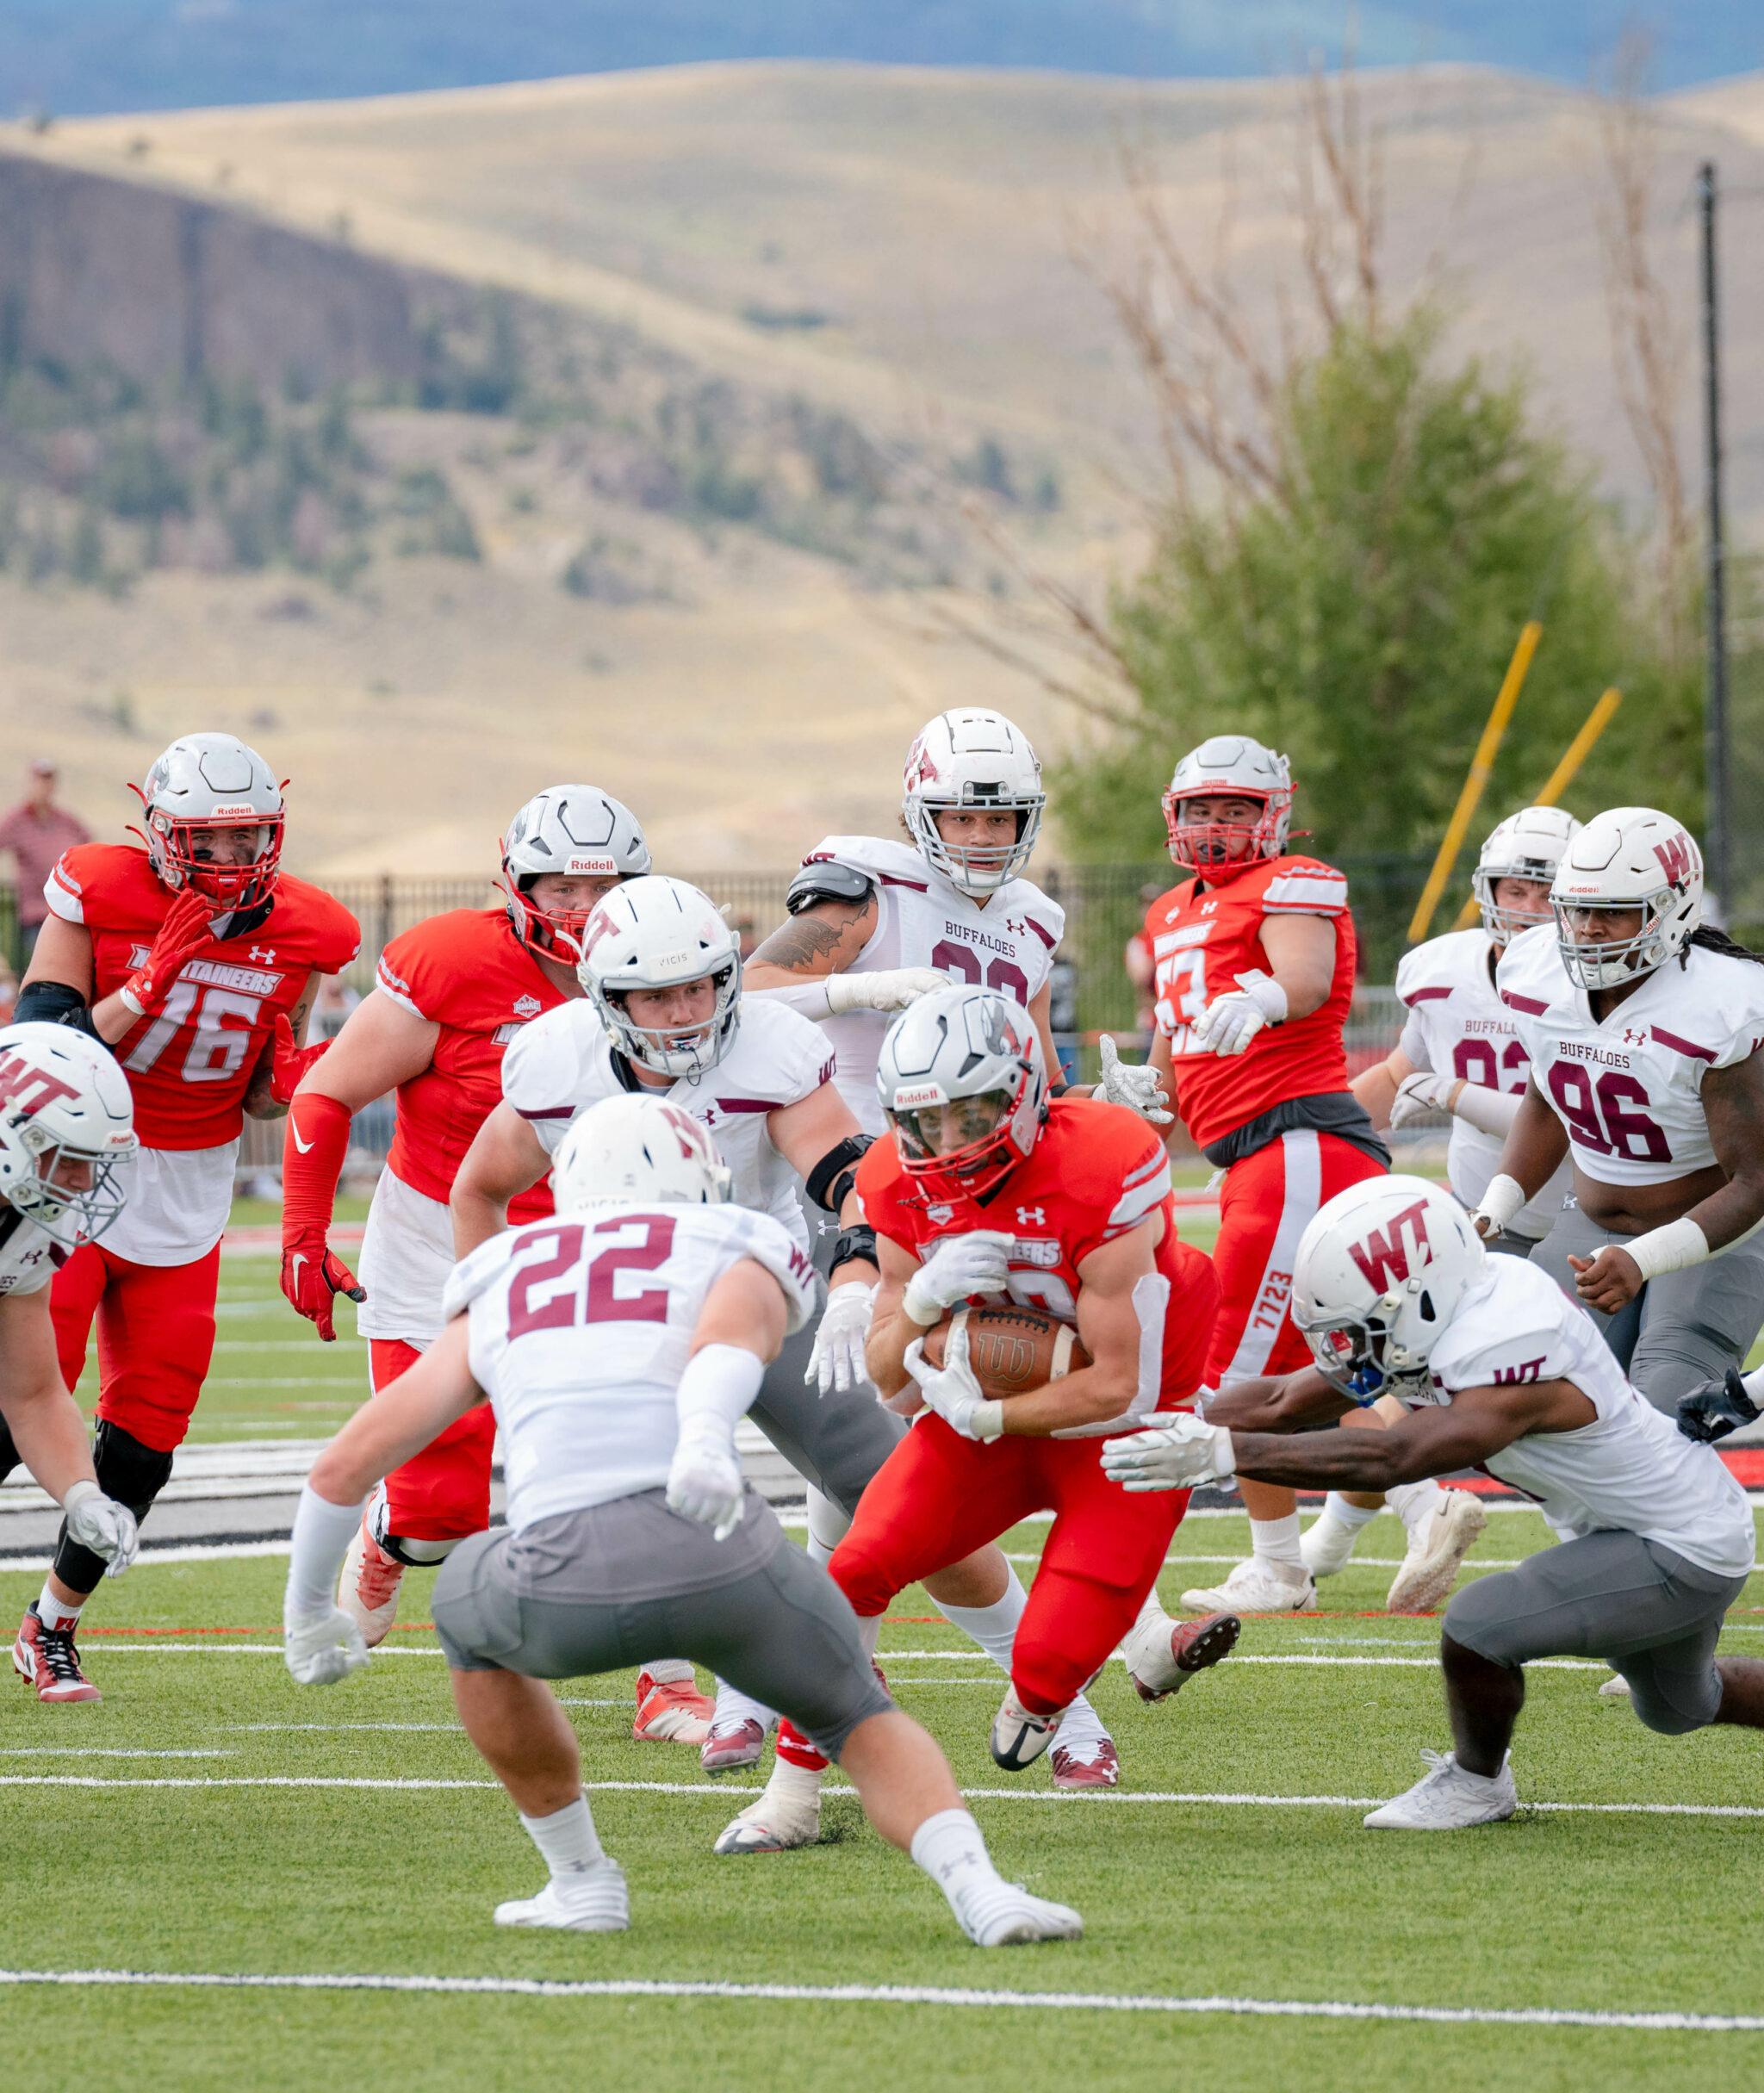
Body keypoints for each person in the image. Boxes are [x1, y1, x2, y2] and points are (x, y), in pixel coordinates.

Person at [281, 1093, 1082, 1947]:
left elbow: (346, 1464)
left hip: (552, 1583)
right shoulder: (733, 1239)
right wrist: (701, 1437)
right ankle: (980, 1891)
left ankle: (580, 1879)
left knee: (463, 1610)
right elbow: (730, 1339)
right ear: (701, 1179)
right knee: (854, 1710)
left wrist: (306, 1614)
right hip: (718, 1556)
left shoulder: (505, 1267)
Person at [450, 876, 1115, 1811]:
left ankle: (1064, 1705)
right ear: (605, 999)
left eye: (700, 985)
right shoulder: (553, 1063)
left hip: (768, 1290)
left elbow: (850, 1180)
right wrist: (494, 1318)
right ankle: (736, 1692)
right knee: (653, 1519)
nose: (685, 1012)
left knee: (906, 1508)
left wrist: (851, 1283)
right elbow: (476, 1187)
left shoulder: (762, 1044)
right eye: (656, 993)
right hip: (630, 1322)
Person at [736, 705, 1147, 1792]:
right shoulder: (863, 884)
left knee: (860, 1476)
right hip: (860, 1186)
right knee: (895, 1462)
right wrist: (862, 987)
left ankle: (770, 1699)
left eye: (998, 816)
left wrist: (1084, 1109)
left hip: (981, 1194)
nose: (977, 837)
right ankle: (1064, 1698)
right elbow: (747, 995)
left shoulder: (1033, 917)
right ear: (918, 813)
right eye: (959, 815)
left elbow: (1031, 1069)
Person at [1102, 1173, 1764, 1829]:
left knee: (1478, 1627)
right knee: (1679, 1706)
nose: (1345, 1343)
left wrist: (1223, 1454)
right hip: (1641, 1528)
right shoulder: (1441, 1308)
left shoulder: (1509, 1341)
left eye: (1357, 1323)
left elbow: (1398, 1456)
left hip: (1681, 1545)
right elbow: (1282, 1401)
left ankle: (1478, 1784)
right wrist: (1162, 1413)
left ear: (1415, 1295)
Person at [748, 983, 1234, 1823]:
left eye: (968, 1116)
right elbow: (894, 1384)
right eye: (920, 1121)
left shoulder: (1103, 1162)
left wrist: (991, 1415)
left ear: (1021, 1097)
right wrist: (923, 1299)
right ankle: (790, 1794)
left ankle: (1045, 1699)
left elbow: (1117, 1379)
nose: (941, 1142)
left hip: (1124, 1428)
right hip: (977, 1410)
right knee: (856, 1567)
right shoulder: (894, 1176)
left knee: (1047, 1660)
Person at [12, 733, 357, 1698]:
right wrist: (142, 990)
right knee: (22, 1404)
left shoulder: (309, 932)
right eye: (213, 837)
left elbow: (256, 1094)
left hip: (190, 1189)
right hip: (72, 1175)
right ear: (163, 834)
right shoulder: (101, 889)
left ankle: (52, 1624)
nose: (235, 856)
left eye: (252, 834)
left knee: (150, 1434)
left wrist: (286, 1088)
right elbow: (39, 1048)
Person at [279, 786, 652, 1658]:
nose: (583, 910)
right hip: (435, 1234)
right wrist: (303, 1230)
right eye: (561, 888)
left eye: (602, 889)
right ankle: (388, 1538)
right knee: (439, 1508)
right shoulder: (451, 962)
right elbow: (328, 1092)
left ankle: (665, 1679)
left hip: (589, 1237)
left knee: (630, 1463)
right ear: (518, 883)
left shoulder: (665, 964)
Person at [1126, 736, 1475, 1631]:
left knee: (1234, 1378)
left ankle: (1287, 1562)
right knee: (1296, 1367)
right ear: (1173, 814)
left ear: (1272, 815)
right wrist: (1138, 1091)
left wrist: (1264, 999)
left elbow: (1305, 979)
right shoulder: (1166, 914)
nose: (1214, 824)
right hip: (1253, 1158)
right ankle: (1417, 1503)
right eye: (1200, 807)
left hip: (1298, 1145)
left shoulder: (1293, 882)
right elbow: (1172, 1051)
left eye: (1235, 808)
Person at [1318, 805, 1581, 1588]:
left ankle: (1601, 1558)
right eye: (1513, 888)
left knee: (1532, 1404)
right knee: (1388, 1358)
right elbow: (1399, 1074)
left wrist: (1459, 1093)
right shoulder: (1444, 970)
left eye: (1545, 892)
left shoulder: (1591, 988)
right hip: (1477, 1218)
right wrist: (1305, 1134)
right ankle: (1330, 1549)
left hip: (1583, 1215)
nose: (1526, 907)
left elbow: (1566, 1118)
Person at [1475, 808, 1764, 1416]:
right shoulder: (1535, 971)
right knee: (1514, 1400)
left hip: (1715, 1238)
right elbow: (1549, 1101)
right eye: (1578, 909)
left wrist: (1643, 1259)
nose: (1587, 929)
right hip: (1592, 1227)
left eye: (1612, 911)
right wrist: (1495, 1207)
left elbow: (1755, 1180)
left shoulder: (1720, 1004)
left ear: (1672, 909)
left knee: (1666, 1414)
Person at [0, 1025, 141, 1700]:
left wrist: (82, 1492)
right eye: (69, 1157)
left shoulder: (24, 1222)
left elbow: (31, 1395)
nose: (84, 1182)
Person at [0, 760, 88, 966]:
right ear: (30, 783)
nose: (44, 787)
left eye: (48, 781)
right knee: (41, 967)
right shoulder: (17, 820)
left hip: (68, 910)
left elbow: (87, 847)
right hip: (35, 913)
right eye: (39, 781)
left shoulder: (66, 820)